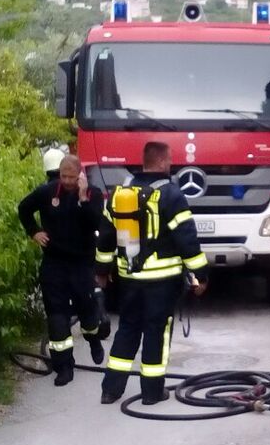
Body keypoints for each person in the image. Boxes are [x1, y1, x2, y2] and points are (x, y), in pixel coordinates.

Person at [98, 141, 209, 405]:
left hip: (129, 278)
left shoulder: (120, 193)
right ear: (160, 161)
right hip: (162, 281)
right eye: (169, 159)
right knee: (156, 333)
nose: (171, 164)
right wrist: (201, 275)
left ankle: (110, 390)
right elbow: (187, 239)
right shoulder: (171, 195)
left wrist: (102, 270)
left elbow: (105, 237)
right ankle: (152, 392)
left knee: (127, 329)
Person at [18, 154, 106, 386]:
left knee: (87, 313)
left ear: (80, 175)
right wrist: (34, 231)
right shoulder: (47, 192)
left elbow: (95, 223)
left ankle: (94, 340)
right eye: (63, 176)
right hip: (54, 263)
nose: (67, 181)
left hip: (81, 264)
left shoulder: (93, 194)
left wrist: (82, 198)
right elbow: (24, 208)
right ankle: (64, 367)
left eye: (71, 177)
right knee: (56, 317)